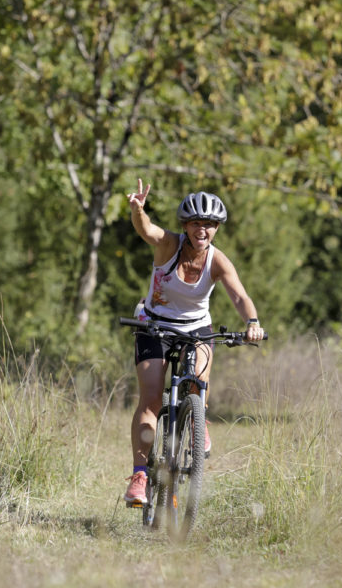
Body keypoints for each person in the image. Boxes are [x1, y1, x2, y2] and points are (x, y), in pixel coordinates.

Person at [123, 178, 266, 505]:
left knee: (197, 384)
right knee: (151, 398)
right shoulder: (169, 246)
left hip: (196, 328)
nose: (203, 230)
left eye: (210, 224)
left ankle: (197, 424)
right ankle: (140, 475)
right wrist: (138, 210)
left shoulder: (217, 261)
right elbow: (147, 231)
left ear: (217, 228)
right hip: (154, 325)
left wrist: (253, 323)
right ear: (186, 225)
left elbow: (239, 295)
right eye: (197, 223)